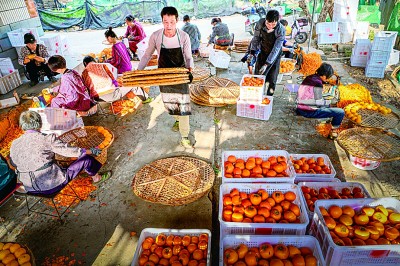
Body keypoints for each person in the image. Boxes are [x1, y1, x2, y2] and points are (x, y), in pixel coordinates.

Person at [9, 111, 111, 194]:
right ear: (39, 123)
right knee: (86, 159)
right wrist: (90, 150)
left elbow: (13, 164)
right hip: (51, 185)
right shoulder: (46, 138)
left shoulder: (14, 144)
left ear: (22, 126)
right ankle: (97, 178)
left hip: (30, 188)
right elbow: (68, 151)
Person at [138, 6, 194, 148]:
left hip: (180, 76)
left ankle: (185, 135)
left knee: (183, 105)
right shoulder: (156, 36)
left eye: (172, 22)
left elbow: (188, 57)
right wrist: (138, 72)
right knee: (169, 103)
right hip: (163, 76)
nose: (169, 25)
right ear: (162, 21)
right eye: (165, 22)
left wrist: (190, 69)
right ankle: (177, 118)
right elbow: (147, 55)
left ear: (177, 21)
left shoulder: (183, 36)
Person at [297, 63, 345, 139]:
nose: (328, 79)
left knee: (327, 104)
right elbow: (319, 103)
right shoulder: (318, 83)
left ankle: (329, 117)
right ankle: (333, 131)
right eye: (328, 77)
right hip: (307, 111)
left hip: (300, 106)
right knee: (340, 112)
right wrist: (330, 102)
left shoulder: (310, 77)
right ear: (324, 75)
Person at [249, 9, 285, 96]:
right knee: (258, 76)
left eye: (273, 24)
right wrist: (252, 52)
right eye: (268, 23)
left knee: (272, 78)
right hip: (263, 51)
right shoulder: (260, 23)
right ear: (265, 19)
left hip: (275, 56)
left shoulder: (281, 29)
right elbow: (256, 38)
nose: (270, 26)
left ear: (277, 21)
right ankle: (257, 95)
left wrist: (267, 64)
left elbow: (276, 48)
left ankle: (269, 97)